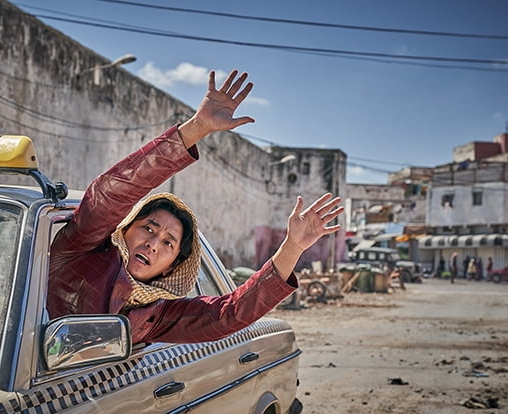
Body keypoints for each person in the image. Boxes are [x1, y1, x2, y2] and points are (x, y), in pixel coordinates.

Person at [47, 69, 344, 345]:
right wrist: (196, 127)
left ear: (174, 265)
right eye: (148, 228)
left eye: (168, 243)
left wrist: (292, 246)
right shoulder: (80, 247)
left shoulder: (157, 314)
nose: (152, 244)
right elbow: (114, 194)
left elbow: (230, 313)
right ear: (125, 229)